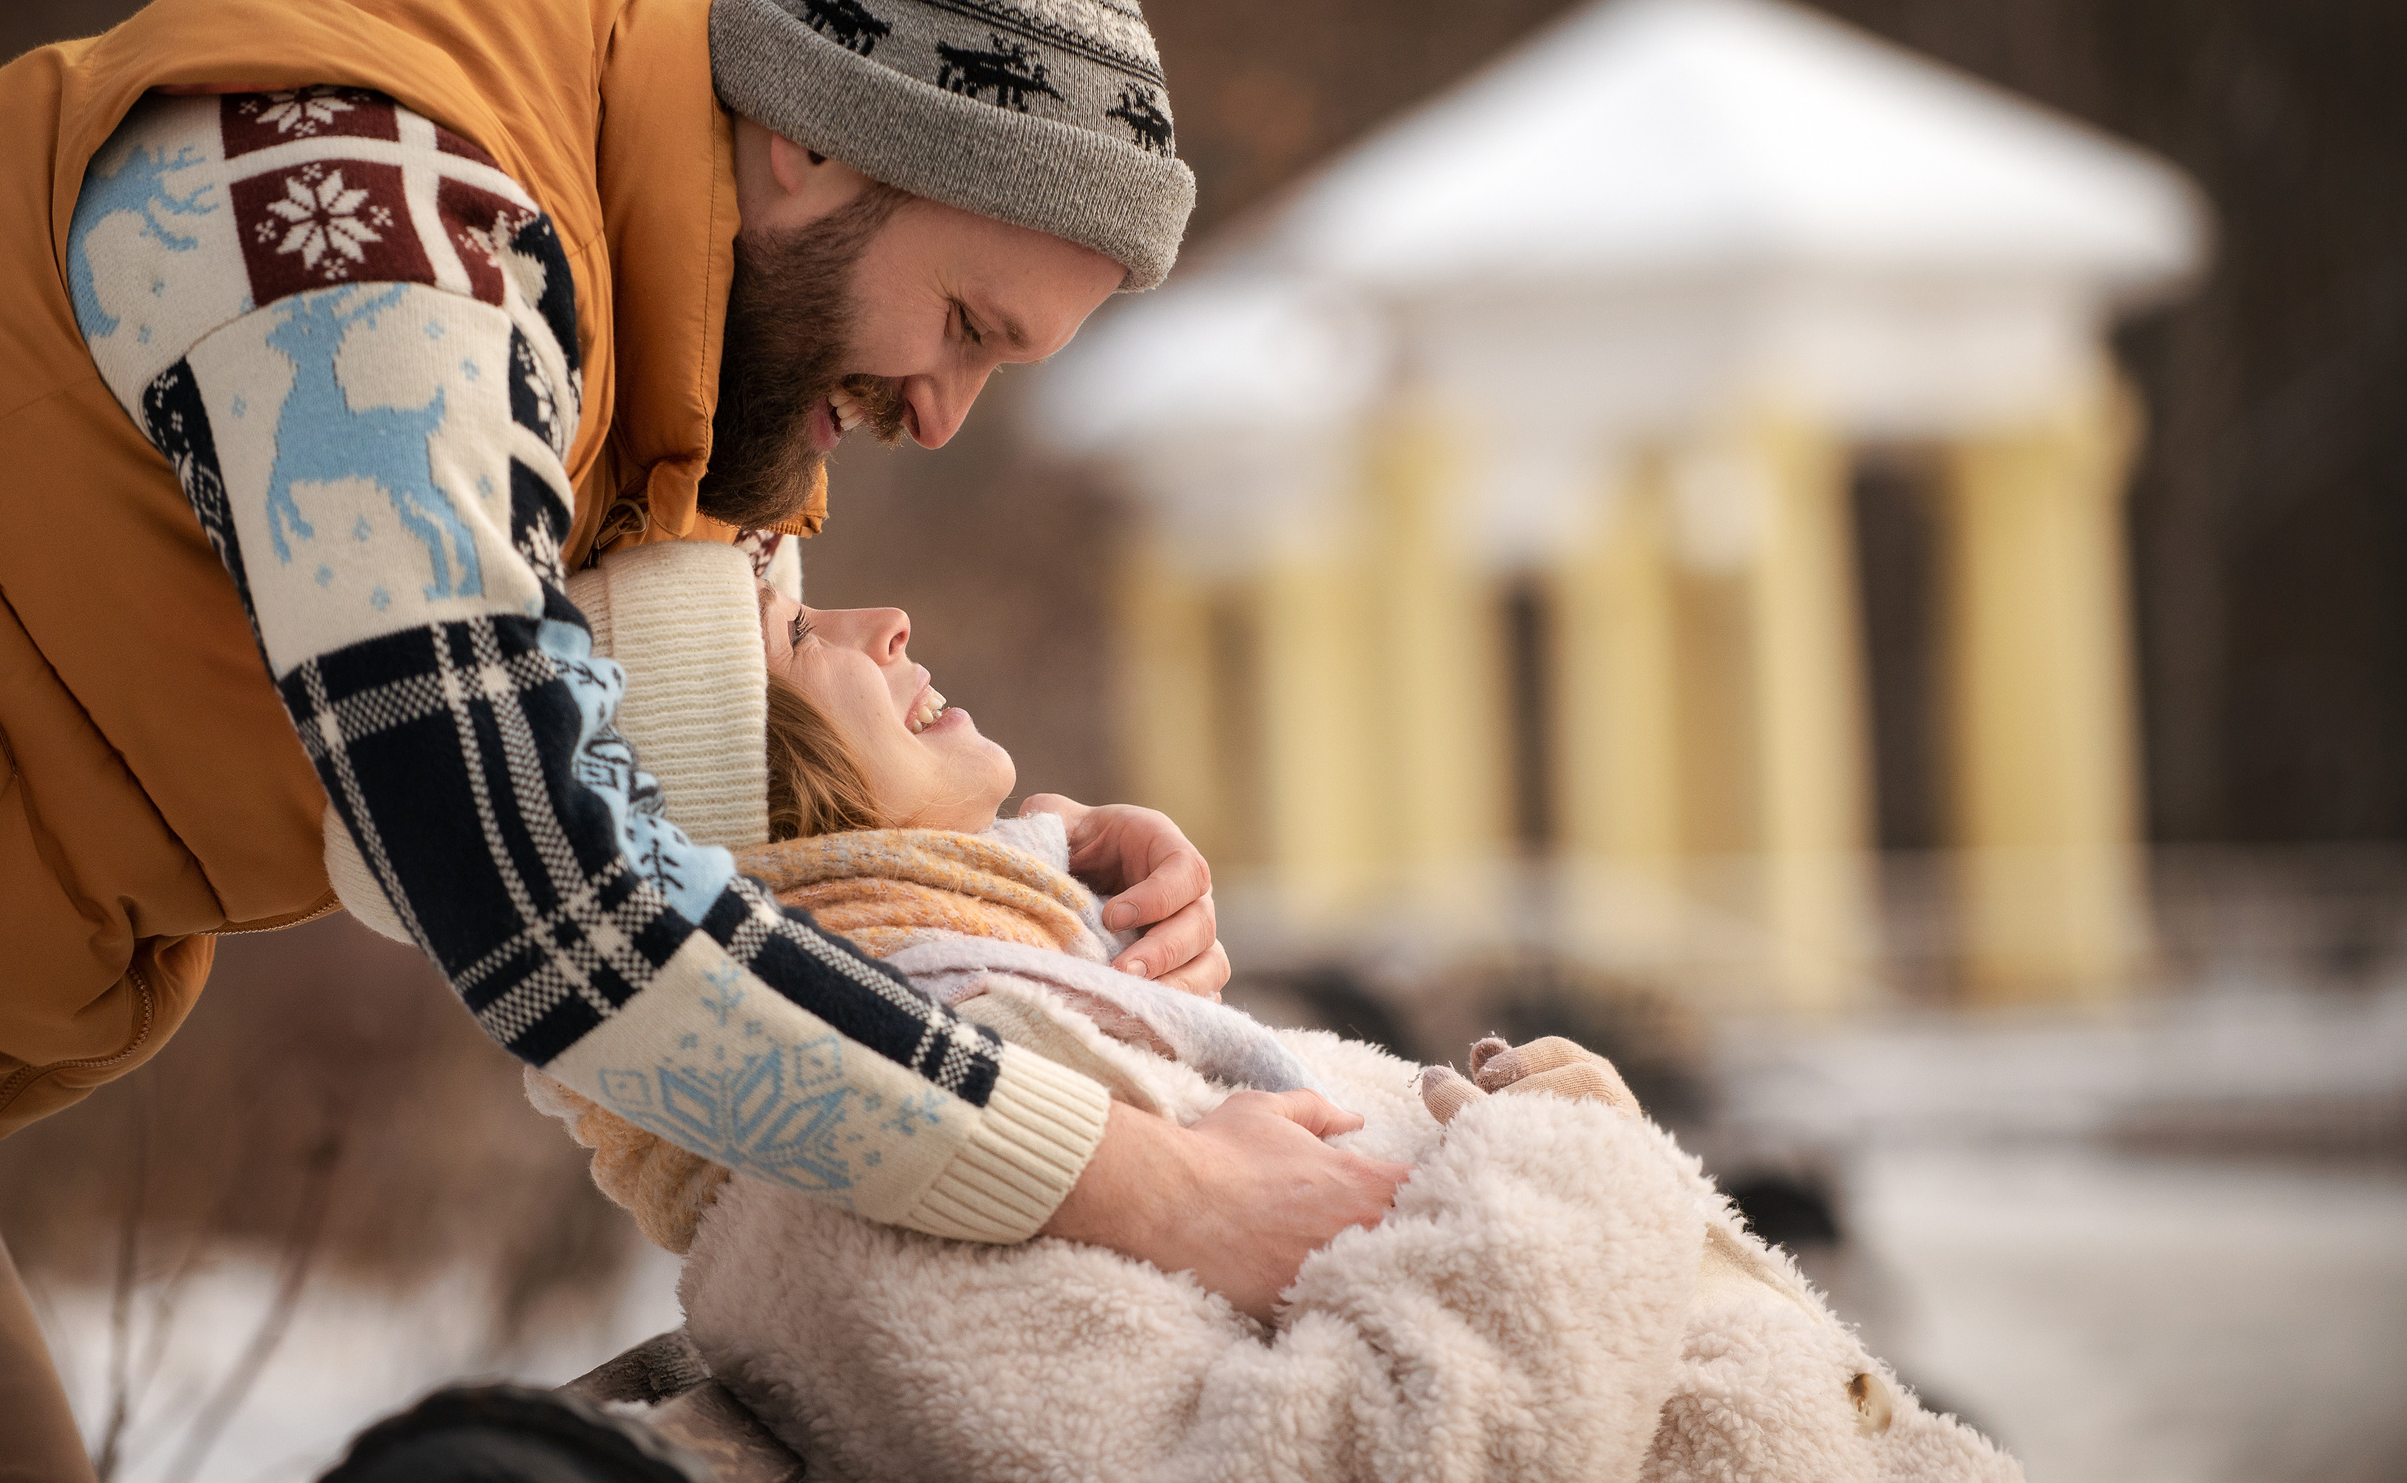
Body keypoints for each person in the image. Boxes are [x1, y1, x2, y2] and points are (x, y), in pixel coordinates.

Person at [0, 0, 1403, 1475]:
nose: (940, 416)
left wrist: (1042, 876)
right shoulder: (362, 239)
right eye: (959, 324)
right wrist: (1162, 1193)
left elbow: (736, 818)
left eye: (994, 364)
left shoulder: (673, 344)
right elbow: (541, 896)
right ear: (812, 142)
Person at [508, 586, 2022, 1482]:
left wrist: (1050, 897)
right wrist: (1577, 1165)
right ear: (745, 806)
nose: (880, 617)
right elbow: (1360, 1452)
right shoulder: (869, 1180)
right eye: (791, 634)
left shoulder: (1007, 1035)